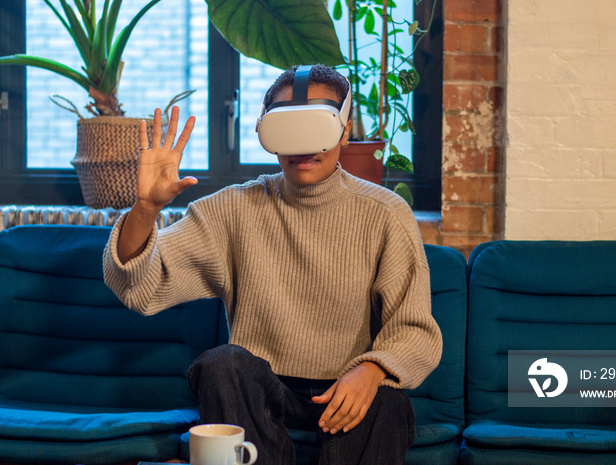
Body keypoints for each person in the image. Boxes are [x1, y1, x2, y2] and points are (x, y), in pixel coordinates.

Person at [103, 64, 442, 465]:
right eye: (288, 128)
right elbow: (140, 285)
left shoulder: (386, 213)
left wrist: (372, 369)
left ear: (344, 130)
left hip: (348, 389)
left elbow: (415, 330)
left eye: (316, 126)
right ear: (267, 133)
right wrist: (145, 209)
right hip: (262, 389)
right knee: (221, 364)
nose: (303, 145)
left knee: (388, 400)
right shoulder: (234, 208)